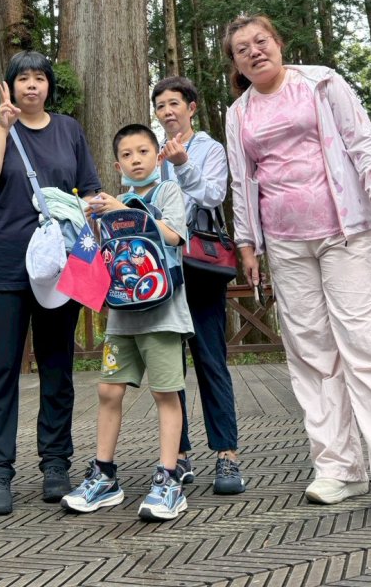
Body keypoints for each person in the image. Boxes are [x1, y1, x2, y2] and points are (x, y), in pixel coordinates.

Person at [223, 12, 371, 532]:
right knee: (311, 353)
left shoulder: (322, 83)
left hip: (346, 231)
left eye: (262, 40)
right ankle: (340, 466)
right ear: (236, 64)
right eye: (243, 49)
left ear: (279, 43)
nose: (255, 51)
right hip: (285, 243)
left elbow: (362, 143)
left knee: (370, 345)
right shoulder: (238, 113)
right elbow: (242, 181)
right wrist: (246, 242)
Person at [0, 50, 101, 516]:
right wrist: (4, 128)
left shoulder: (69, 130)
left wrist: (93, 211)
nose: (31, 86)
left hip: (61, 267)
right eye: (22, 78)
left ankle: (55, 463)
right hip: (5, 266)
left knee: (57, 367)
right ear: (9, 86)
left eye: (39, 78)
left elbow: (89, 191)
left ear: (49, 85)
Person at [61, 124, 193, 522]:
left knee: (165, 394)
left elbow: (173, 236)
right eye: (127, 154)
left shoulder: (167, 190)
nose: (136, 160)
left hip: (164, 313)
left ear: (157, 156)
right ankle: (104, 475)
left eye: (143, 152)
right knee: (107, 391)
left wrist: (126, 210)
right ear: (117, 162)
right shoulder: (112, 200)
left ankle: (169, 478)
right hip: (121, 315)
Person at [152, 76, 245, 494]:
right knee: (171, 363)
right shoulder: (152, 153)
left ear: (191, 107)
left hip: (201, 266)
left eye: (174, 103)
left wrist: (183, 163)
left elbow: (211, 196)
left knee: (210, 359)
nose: (167, 112)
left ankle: (227, 457)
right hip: (162, 268)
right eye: (160, 106)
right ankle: (180, 455)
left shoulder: (210, 149)